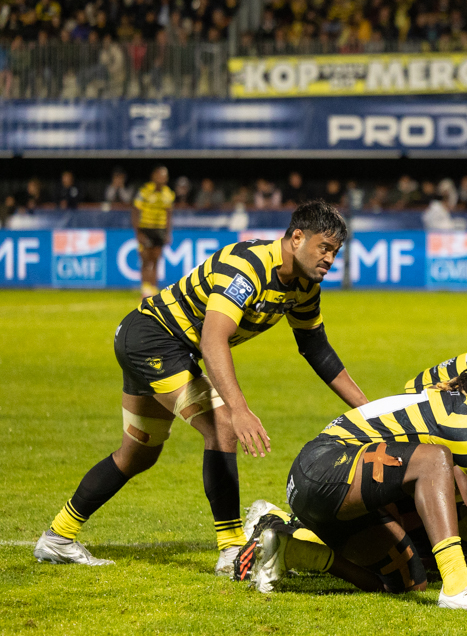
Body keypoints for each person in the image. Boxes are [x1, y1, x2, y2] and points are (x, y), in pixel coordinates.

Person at [35, 201, 369, 574]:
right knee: (223, 424)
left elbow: (315, 348)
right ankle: (230, 550)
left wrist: (369, 411)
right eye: (324, 247)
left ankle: (58, 537)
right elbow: (213, 340)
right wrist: (239, 410)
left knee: (138, 454)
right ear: (296, 238)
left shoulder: (304, 287)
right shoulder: (249, 265)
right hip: (152, 339)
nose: (330, 258)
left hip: (162, 346)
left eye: (335, 252)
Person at [242, 333, 467, 610]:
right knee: (433, 460)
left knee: (406, 582)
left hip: (327, 488)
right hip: (321, 466)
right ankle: (459, 586)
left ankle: (289, 543)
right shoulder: (460, 417)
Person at [132, 166, 175, 299]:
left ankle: (153, 290)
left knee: (156, 260)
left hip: (159, 230)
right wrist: (138, 232)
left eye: (164, 176)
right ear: (154, 176)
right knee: (145, 259)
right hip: (146, 229)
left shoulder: (169, 194)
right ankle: (145, 290)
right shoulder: (144, 191)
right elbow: (135, 211)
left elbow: (169, 215)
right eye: (159, 175)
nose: (162, 178)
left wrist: (168, 233)